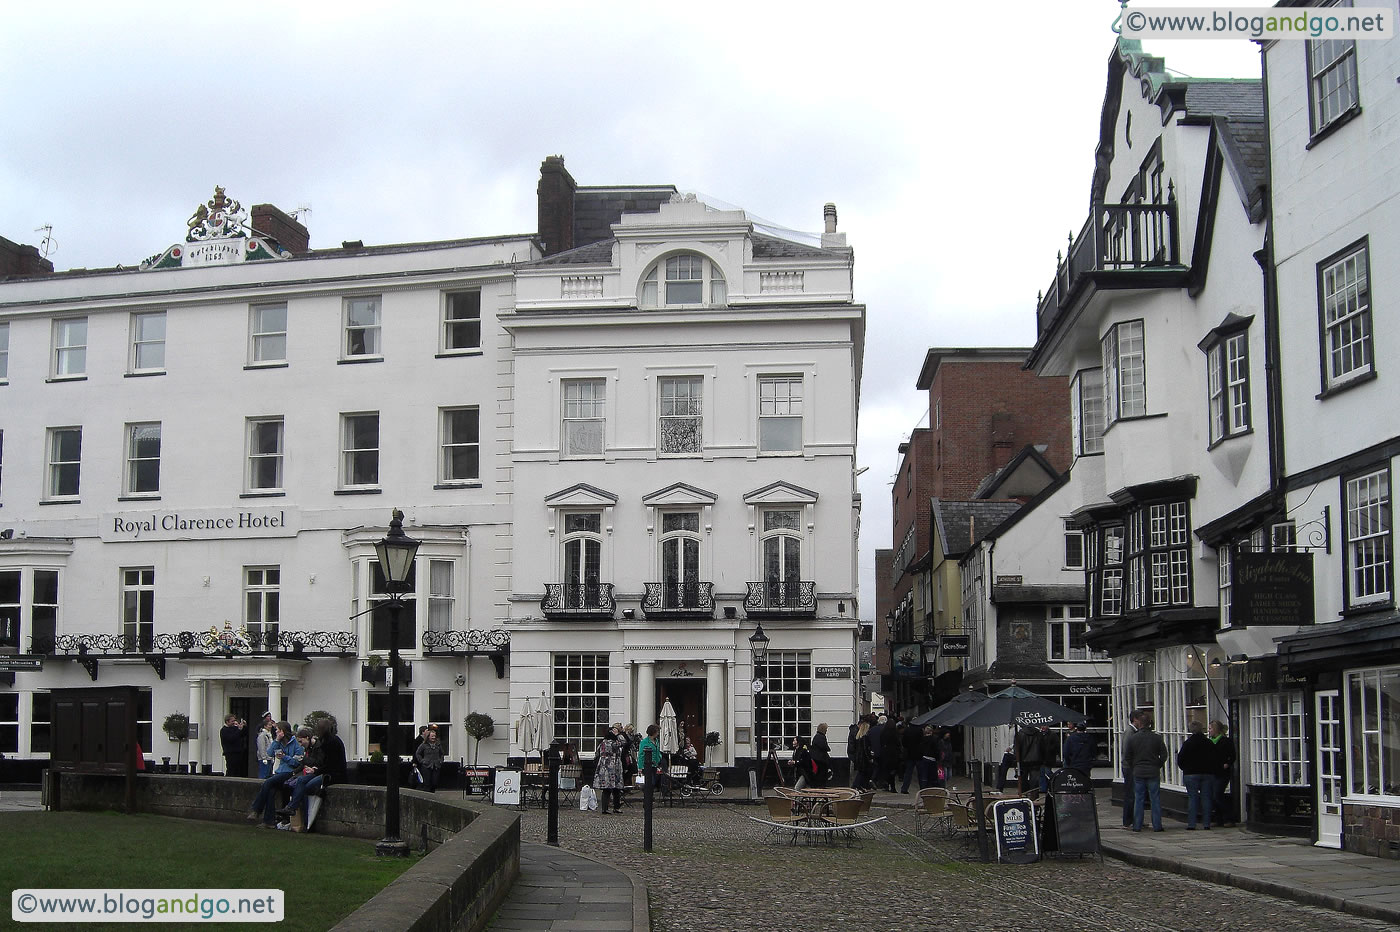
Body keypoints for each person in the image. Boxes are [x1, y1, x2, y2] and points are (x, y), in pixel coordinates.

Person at [249, 722, 305, 828]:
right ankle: (269, 821)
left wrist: (284, 757)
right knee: (270, 789)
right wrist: (276, 740)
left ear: (283, 731)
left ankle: (257, 809)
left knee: (268, 782)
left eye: (278, 730)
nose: (276, 732)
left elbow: (297, 762)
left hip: (290, 773)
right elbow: (269, 753)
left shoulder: (296, 744)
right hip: (280, 772)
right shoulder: (279, 742)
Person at [1124, 711, 1168, 832]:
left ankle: (1137, 825)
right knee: (1155, 799)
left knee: (1139, 799)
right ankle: (1157, 825)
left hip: (1138, 771)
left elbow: (1127, 756)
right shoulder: (1157, 738)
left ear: (1140, 724)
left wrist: (1134, 766)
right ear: (1150, 724)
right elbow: (1164, 755)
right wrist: (1158, 764)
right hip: (1153, 771)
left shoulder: (1133, 738)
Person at [1177, 720, 1215, 830]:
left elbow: (1180, 759)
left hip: (1191, 773)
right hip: (1207, 773)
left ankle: (1192, 824)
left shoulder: (1188, 743)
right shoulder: (1208, 743)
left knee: (1192, 798)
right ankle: (1206, 824)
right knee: (1206, 798)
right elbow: (1214, 758)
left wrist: (1185, 769)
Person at [1208, 719, 1237, 826]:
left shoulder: (1226, 741)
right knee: (1213, 796)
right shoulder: (1209, 742)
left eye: (1210, 728)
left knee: (1217, 795)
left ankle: (1230, 818)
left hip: (1222, 773)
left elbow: (1232, 755)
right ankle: (1218, 819)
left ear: (1216, 729)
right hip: (1212, 772)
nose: (1209, 731)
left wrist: (1227, 763)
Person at [1120, 709, 1144, 828]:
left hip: (1131, 766)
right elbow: (1126, 751)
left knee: (1133, 794)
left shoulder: (1133, 731)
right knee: (1131, 794)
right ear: (1135, 719)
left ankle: (1133, 819)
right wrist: (1132, 764)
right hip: (1129, 767)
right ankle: (1128, 820)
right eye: (1141, 719)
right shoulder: (1130, 732)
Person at [593, 726, 625, 814]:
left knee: (606, 789)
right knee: (616, 788)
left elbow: (597, 754)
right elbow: (623, 742)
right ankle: (616, 807)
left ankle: (604, 808)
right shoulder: (613, 743)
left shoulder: (602, 743)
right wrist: (618, 735)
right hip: (614, 766)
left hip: (604, 767)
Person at [1014, 722, 1046, 794]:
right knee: (1034, 782)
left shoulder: (1019, 734)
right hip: (1036, 761)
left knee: (1023, 781)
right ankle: (1034, 797)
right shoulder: (1039, 733)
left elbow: (1017, 749)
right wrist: (1043, 759)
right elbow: (1043, 748)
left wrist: (1016, 761)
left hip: (1023, 761)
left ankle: (1024, 796)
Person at [413, 727, 444, 792]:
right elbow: (418, 753)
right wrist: (422, 761)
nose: (433, 738)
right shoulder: (424, 745)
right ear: (428, 737)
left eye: (434, 736)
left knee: (434, 783)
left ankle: (432, 793)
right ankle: (427, 795)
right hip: (426, 766)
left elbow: (442, 753)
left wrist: (441, 761)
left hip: (436, 766)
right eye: (432, 736)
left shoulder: (438, 744)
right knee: (427, 783)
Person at [900, 718, 924, 793]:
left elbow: (904, 743)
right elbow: (922, 741)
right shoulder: (920, 730)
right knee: (920, 773)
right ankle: (922, 788)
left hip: (909, 753)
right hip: (918, 754)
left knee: (908, 772)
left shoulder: (907, 730)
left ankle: (904, 788)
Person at [849, 717, 873, 789]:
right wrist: (870, 758)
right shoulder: (865, 738)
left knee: (861, 772)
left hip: (858, 757)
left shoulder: (858, 737)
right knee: (862, 773)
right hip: (863, 759)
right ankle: (857, 785)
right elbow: (865, 749)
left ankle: (859, 786)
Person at [880, 721, 903, 792]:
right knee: (892, 771)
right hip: (894, 754)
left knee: (885, 770)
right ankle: (893, 787)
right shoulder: (895, 733)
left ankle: (886, 785)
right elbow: (898, 743)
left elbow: (881, 742)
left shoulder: (883, 733)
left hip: (885, 753)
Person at [809, 723, 831, 787]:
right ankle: (821, 787)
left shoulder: (817, 736)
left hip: (817, 758)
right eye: (826, 729)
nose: (826, 731)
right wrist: (828, 748)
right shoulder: (820, 737)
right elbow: (823, 746)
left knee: (819, 774)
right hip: (820, 759)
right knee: (822, 774)